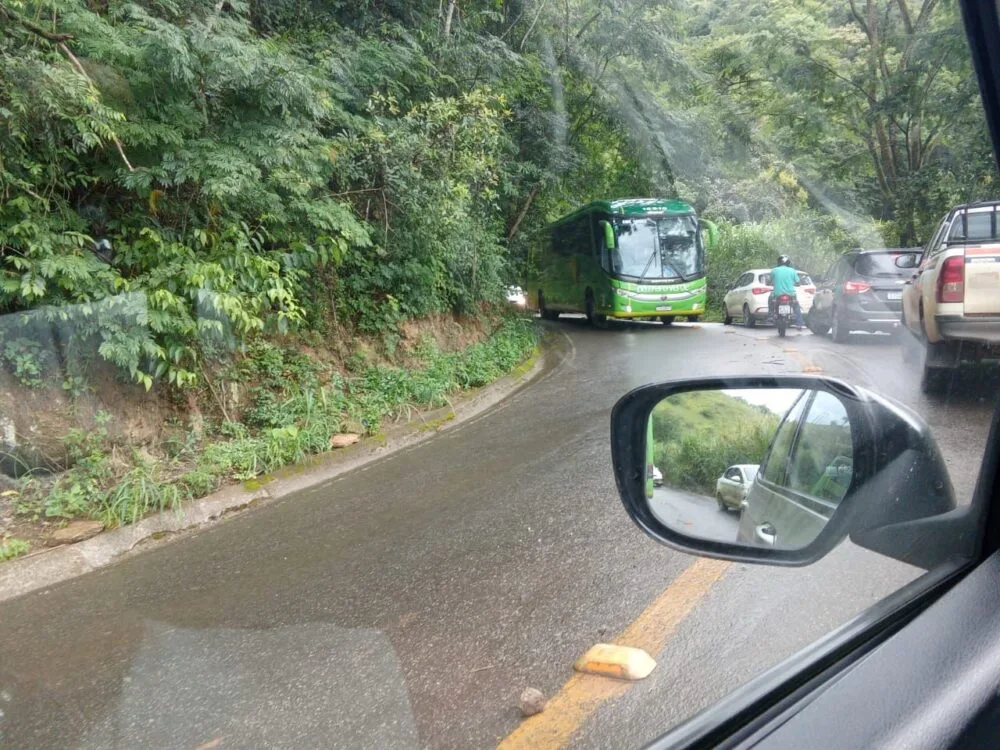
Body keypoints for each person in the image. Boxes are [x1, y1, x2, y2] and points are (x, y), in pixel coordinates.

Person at [770, 254, 806, 328]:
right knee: (796, 305)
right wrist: (796, 284)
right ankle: (799, 323)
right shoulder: (792, 271)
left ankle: (770, 315)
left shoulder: (774, 270)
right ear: (788, 263)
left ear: (778, 262)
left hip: (777, 294)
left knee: (770, 300)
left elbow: (771, 281)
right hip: (791, 294)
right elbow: (798, 282)